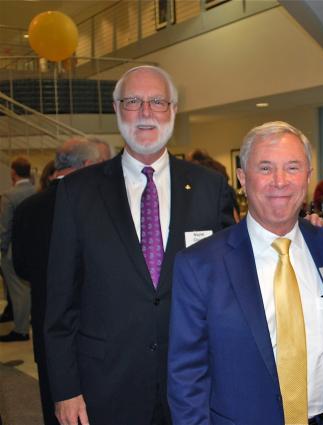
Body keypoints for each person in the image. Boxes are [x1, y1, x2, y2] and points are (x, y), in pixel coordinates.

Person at [44, 65, 234, 425]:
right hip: (105, 387)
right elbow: (59, 304)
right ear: (117, 109)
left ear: (173, 110)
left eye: (157, 101)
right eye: (133, 101)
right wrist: (65, 390)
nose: (146, 113)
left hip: (193, 386)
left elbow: (228, 288)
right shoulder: (76, 192)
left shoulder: (210, 187)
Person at [168, 121, 323, 425]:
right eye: (265, 168)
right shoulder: (200, 265)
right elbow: (186, 377)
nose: (280, 181)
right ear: (243, 179)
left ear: (308, 177)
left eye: (293, 167)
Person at [12, 138, 105, 425]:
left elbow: (22, 267)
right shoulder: (98, 205)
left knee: (56, 407)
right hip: (98, 334)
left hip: (47, 332)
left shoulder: (28, 207)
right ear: (89, 165)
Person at [0, 157, 36, 342]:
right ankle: (25, 320)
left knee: (18, 290)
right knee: (28, 290)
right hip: (34, 247)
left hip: (14, 250)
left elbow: (4, 227)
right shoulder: (37, 191)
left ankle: (20, 329)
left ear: (13, 173)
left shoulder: (9, 196)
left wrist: (2, 250)